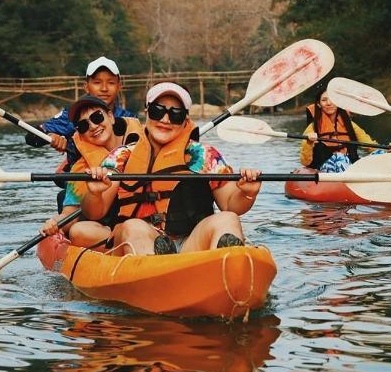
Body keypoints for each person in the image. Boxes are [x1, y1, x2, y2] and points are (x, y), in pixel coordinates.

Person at [80, 82, 262, 256]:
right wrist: (95, 194)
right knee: (133, 226)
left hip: (190, 243)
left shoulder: (204, 156)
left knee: (228, 218)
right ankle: (155, 268)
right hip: (138, 240)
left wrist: (247, 194)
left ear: (185, 120)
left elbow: (231, 205)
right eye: (157, 111)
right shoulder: (122, 156)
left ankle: (227, 267)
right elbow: (94, 212)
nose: (165, 119)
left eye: (175, 114)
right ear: (147, 112)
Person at [40, 94, 142, 248]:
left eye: (97, 117)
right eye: (83, 125)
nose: (93, 126)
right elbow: (69, 215)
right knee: (78, 231)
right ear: (80, 133)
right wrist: (55, 223)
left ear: (110, 116)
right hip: (110, 232)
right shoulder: (81, 169)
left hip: (149, 224)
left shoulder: (144, 144)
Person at [24, 57, 136, 167]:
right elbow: (32, 138)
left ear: (119, 86)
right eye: (97, 82)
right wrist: (50, 136)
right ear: (86, 87)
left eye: (111, 83)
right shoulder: (71, 116)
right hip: (81, 177)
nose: (104, 88)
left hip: (119, 176)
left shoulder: (129, 119)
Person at [300, 85, 391, 172]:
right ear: (319, 104)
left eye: (332, 99)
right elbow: (305, 162)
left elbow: (371, 146)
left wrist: (388, 151)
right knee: (339, 157)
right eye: (324, 100)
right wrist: (309, 143)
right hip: (325, 168)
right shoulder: (312, 128)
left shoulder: (351, 125)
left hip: (350, 167)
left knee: (380, 154)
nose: (329, 103)